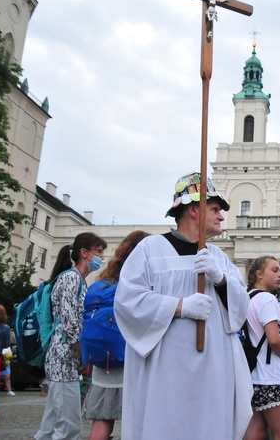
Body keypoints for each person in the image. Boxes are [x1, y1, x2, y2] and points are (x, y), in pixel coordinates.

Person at [114, 172, 253, 440]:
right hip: (165, 371)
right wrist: (179, 306)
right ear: (193, 210)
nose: (221, 216)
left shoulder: (217, 257)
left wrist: (221, 279)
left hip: (212, 371)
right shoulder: (150, 249)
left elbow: (241, 308)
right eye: (214, 209)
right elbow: (127, 302)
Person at [35, 232, 107, 440]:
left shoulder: (76, 280)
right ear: (84, 253)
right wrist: (85, 357)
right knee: (68, 427)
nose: (102, 258)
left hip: (64, 359)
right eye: (99, 252)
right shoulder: (71, 278)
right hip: (64, 360)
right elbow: (70, 323)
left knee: (50, 427)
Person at [82, 230, 149, 440]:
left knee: (101, 423)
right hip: (135, 362)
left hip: (105, 365)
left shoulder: (101, 285)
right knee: (140, 422)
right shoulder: (141, 286)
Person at [243, 255, 280, 440]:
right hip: (270, 378)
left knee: (254, 434)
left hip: (250, 377)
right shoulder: (267, 298)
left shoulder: (247, 297)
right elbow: (273, 338)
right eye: (274, 270)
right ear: (259, 274)